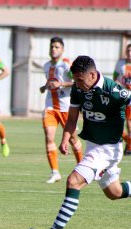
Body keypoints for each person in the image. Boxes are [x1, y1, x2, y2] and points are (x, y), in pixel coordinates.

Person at [29, 55, 131, 229]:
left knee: (73, 181)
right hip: (94, 146)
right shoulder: (78, 89)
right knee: (114, 192)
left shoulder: (114, 90)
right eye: (74, 79)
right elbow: (72, 119)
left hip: (108, 149)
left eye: (79, 80)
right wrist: (65, 138)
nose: (76, 84)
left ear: (92, 75)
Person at [40, 36, 82, 184]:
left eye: (57, 47)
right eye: (52, 47)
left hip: (66, 107)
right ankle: (55, 172)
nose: (53, 49)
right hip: (50, 106)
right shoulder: (46, 66)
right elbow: (50, 82)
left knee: (72, 139)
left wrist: (62, 84)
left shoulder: (66, 65)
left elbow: (77, 81)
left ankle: (83, 168)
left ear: (62, 50)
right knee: (49, 137)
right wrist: (44, 87)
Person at [113, 43, 131, 155]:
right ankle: (128, 142)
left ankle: (129, 146)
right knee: (116, 120)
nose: (129, 53)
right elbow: (115, 78)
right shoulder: (120, 64)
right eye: (128, 51)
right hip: (121, 96)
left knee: (129, 122)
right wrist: (117, 84)